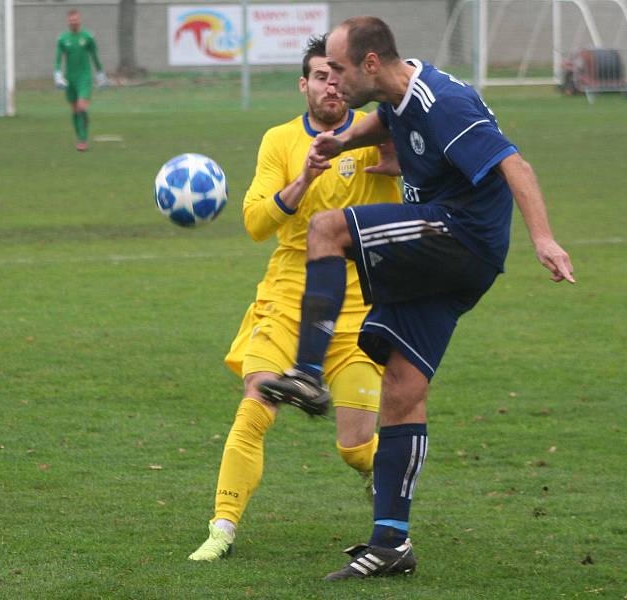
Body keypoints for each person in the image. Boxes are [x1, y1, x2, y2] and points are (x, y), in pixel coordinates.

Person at [259, 16, 575, 580]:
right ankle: (391, 544)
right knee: (403, 387)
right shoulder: (398, 97)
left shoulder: (443, 102)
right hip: (456, 257)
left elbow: (514, 164)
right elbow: (383, 120)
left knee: (327, 229)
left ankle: (307, 372)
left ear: (371, 64)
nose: (332, 80)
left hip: (458, 235)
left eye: (338, 68)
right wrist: (342, 140)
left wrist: (545, 239)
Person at [188, 34, 402, 562]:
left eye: (338, 75)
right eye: (321, 76)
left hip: (358, 309)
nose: (332, 85)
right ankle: (222, 528)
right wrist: (303, 178)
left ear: (352, 78)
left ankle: (387, 482)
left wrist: (405, 165)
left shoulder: (380, 134)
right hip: (286, 301)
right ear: (304, 84)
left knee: (355, 449)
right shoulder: (279, 141)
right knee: (255, 405)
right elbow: (257, 222)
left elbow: (428, 180)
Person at [54, 9, 108, 151]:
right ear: (68, 22)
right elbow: (58, 59)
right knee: (74, 110)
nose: (74, 22)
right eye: (71, 20)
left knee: (81, 107)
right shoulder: (63, 39)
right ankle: (80, 137)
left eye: (76, 19)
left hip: (84, 77)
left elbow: (95, 56)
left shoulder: (87, 37)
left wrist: (100, 74)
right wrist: (58, 74)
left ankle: (83, 139)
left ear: (80, 20)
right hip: (70, 78)